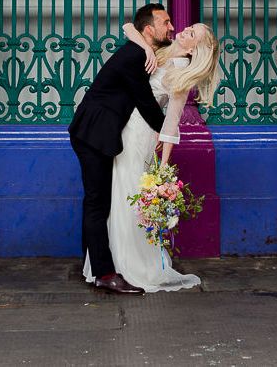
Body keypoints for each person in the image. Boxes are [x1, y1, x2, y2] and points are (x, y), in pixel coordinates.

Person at [89, 19, 221, 293]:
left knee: (128, 196)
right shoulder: (160, 50)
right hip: (121, 125)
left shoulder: (182, 72)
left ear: (196, 47)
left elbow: (170, 124)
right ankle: (109, 264)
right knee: (115, 194)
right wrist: (146, 49)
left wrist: (163, 169)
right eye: (189, 27)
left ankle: (131, 266)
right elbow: (128, 27)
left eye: (192, 33)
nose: (185, 30)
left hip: (140, 134)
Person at [68, 3, 177, 294]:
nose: (171, 27)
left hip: (95, 131)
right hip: (94, 133)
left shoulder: (139, 51)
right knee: (97, 202)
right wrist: (169, 131)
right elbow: (146, 102)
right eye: (165, 22)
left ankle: (91, 264)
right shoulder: (136, 55)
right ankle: (104, 273)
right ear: (149, 30)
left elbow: (131, 29)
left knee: (95, 200)